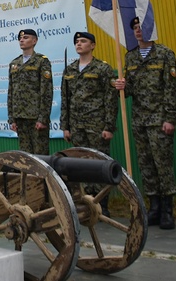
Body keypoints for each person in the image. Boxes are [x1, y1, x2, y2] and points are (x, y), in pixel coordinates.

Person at [115, 17, 176, 229]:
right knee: (146, 164)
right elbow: (130, 90)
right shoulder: (131, 56)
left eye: (141, 27)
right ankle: (154, 207)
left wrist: (170, 118)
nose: (138, 30)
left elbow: (171, 88)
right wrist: (122, 86)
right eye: (135, 27)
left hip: (159, 119)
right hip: (140, 119)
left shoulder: (164, 54)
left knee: (163, 164)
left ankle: (167, 210)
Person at [61, 31, 118, 216]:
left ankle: (102, 205)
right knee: (80, 164)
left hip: (97, 125)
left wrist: (109, 126)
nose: (79, 44)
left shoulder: (102, 68)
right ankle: (86, 203)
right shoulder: (70, 70)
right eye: (77, 41)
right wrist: (66, 126)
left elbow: (110, 99)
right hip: (76, 125)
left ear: (92, 45)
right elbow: (65, 99)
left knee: (99, 163)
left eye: (83, 41)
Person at [7, 28, 53, 154]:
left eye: (25, 38)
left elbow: (46, 91)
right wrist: (12, 118)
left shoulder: (41, 61)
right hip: (20, 116)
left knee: (40, 154)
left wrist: (43, 118)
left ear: (34, 41)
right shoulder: (14, 63)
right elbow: (11, 92)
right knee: (25, 155)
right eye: (20, 38)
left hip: (35, 116)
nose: (21, 40)